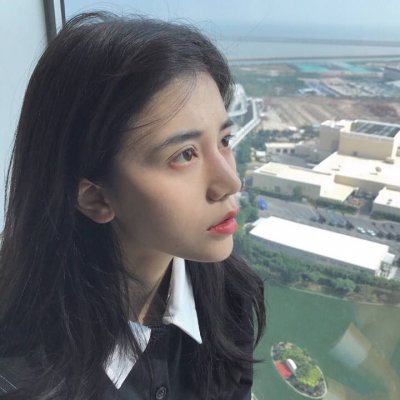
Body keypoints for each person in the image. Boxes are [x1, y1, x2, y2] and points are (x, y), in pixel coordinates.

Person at [0, 12, 265, 400]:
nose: (230, 182)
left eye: (224, 140)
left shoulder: (231, 298)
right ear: (95, 197)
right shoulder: (20, 370)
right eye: (185, 155)